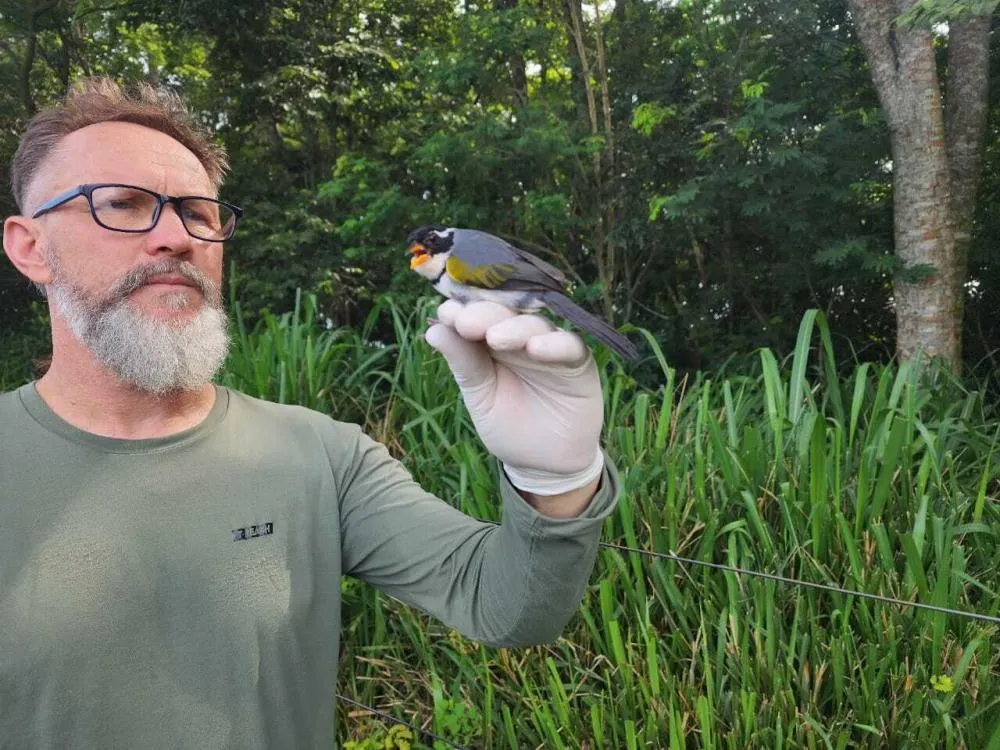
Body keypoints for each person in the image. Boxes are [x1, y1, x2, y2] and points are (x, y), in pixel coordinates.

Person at [0, 78, 621, 749]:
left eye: (200, 214)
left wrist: (555, 479)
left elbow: (506, 607)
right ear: (30, 247)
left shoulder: (324, 456)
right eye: (122, 204)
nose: (176, 238)